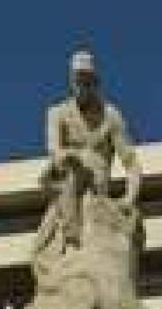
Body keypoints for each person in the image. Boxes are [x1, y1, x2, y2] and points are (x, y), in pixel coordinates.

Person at [36, 48, 141, 254]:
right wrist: (68, 156)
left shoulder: (111, 115)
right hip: (66, 179)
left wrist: (129, 197)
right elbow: (54, 150)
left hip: (97, 184)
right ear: (71, 80)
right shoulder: (57, 113)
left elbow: (131, 163)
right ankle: (71, 237)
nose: (82, 85)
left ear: (95, 81)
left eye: (87, 79)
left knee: (86, 166)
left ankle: (75, 240)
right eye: (78, 79)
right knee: (68, 171)